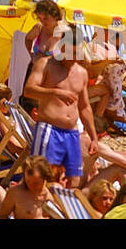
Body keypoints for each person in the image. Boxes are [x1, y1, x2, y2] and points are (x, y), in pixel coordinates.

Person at [23, 24, 97, 187]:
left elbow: (85, 107)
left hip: (72, 133)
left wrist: (93, 137)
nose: (72, 59)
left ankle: (63, 212)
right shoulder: (45, 64)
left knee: (74, 180)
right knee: (42, 177)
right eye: (70, 54)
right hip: (50, 130)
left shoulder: (81, 72)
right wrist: (55, 92)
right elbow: (28, 90)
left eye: (76, 55)